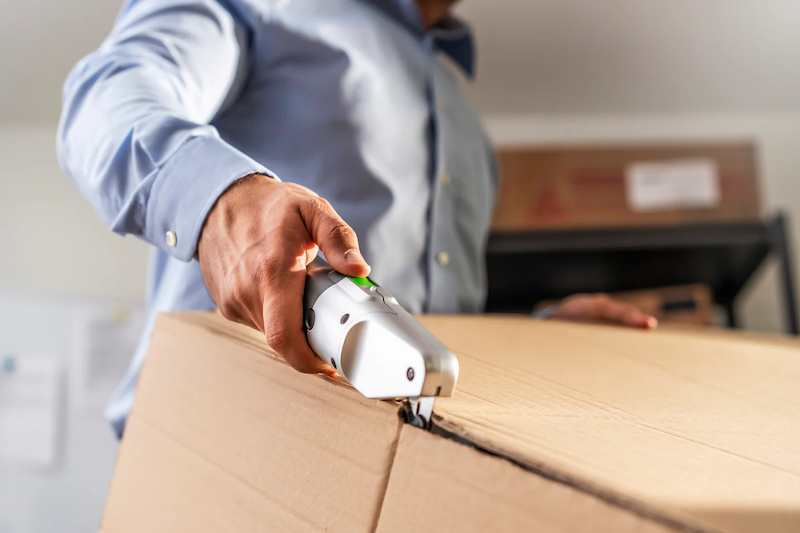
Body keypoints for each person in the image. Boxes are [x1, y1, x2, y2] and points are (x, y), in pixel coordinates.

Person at [58, 0, 656, 437]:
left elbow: (427, 322)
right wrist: (223, 203)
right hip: (212, 446)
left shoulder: (471, 133)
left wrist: (537, 337)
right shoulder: (267, 7)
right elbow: (107, 95)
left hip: (393, 474)